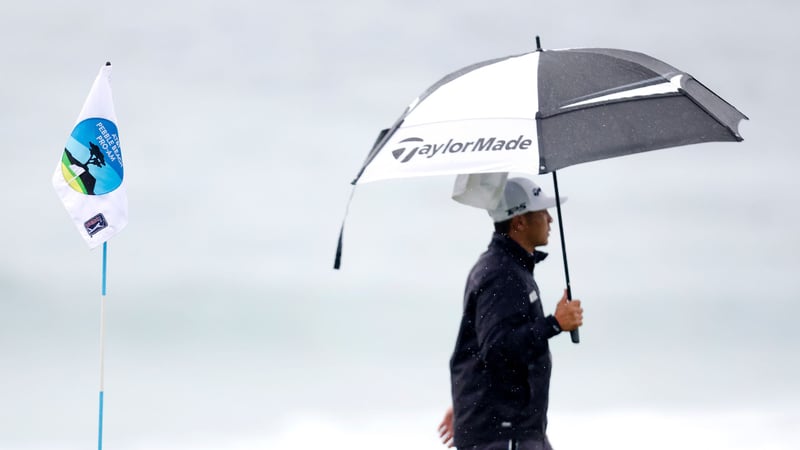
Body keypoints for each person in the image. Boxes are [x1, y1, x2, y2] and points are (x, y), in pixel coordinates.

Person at [442, 177, 583, 450]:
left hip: (511, 428)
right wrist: (554, 324)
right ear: (519, 222)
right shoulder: (502, 274)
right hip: (503, 434)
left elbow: (482, 348)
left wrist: (467, 402)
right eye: (542, 212)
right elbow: (497, 349)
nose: (550, 220)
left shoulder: (507, 267)